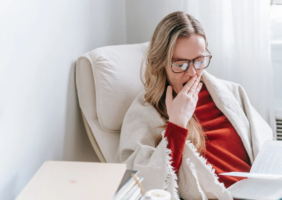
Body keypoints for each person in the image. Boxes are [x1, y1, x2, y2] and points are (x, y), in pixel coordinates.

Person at [114, 11, 273, 200]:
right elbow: (143, 182)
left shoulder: (231, 93)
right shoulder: (145, 110)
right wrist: (177, 123)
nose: (192, 73)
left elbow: (265, 146)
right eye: (180, 64)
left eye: (199, 61)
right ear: (161, 63)